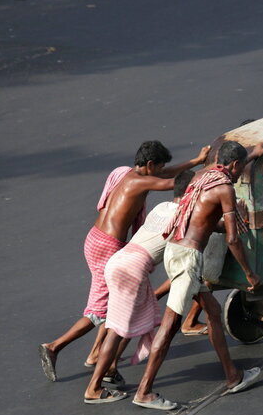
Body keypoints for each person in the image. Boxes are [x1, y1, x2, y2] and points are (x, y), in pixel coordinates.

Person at [39, 141, 210, 383]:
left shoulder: (127, 174)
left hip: (95, 239)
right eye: (160, 167)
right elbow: (177, 183)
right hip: (108, 246)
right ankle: (55, 346)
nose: (162, 171)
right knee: (98, 312)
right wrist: (214, 168)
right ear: (150, 165)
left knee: (112, 303)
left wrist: (195, 160)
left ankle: (97, 353)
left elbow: (166, 175)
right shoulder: (140, 182)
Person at [132, 141, 263, 410]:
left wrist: (252, 154)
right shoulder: (225, 188)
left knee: (213, 313)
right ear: (235, 166)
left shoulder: (203, 176)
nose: (238, 177)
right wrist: (250, 274)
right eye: (240, 169)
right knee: (168, 328)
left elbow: (204, 217)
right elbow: (232, 239)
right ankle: (144, 391)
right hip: (188, 259)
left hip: (174, 249)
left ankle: (233, 376)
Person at [83, 171, 195, 404]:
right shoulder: (184, 216)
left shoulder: (162, 206)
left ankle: (111, 370)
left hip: (118, 261)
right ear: (190, 193)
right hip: (133, 270)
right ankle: (93, 388)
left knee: (126, 323)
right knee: (116, 330)